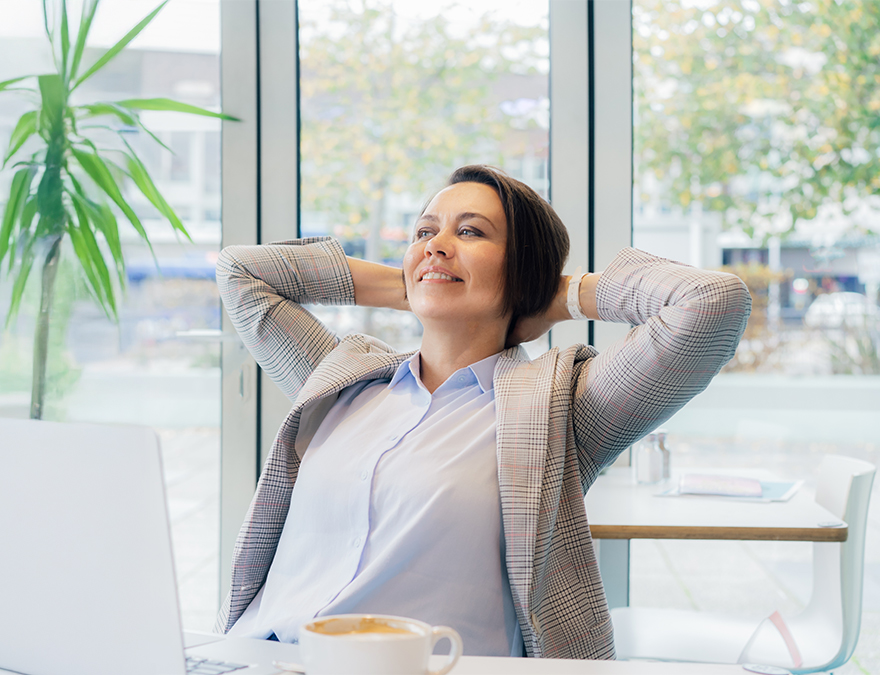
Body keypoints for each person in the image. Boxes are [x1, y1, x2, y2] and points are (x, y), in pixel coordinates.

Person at [213, 164, 751, 659]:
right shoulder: (344, 378)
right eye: (425, 232)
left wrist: (560, 295)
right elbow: (240, 273)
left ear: (523, 273)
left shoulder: (563, 407)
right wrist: (415, 283)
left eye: (469, 232)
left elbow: (711, 302)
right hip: (264, 655)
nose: (437, 245)